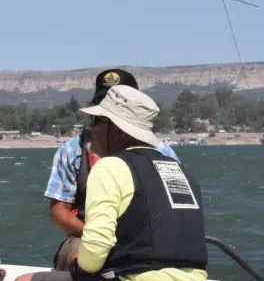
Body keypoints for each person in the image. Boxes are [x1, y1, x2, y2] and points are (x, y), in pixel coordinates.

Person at [11, 86, 207, 281]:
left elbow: (96, 250)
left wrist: (78, 267)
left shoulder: (110, 167)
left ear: (117, 129)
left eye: (98, 121)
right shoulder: (179, 170)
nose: (91, 129)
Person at [45, 69, 178, 270]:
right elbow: (58, 212)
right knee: (76, 254)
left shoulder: (163, 152)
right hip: (86, 237)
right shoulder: (72, 151)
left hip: (145, 240)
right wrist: (100, 239)